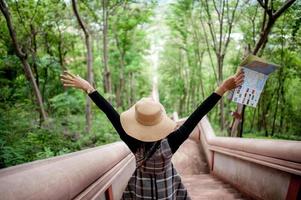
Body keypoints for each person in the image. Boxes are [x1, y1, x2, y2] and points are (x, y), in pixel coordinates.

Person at [60, 69, 244, 200]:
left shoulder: (132, 142)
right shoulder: (172, 141)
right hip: (167, 190)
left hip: (141, 191)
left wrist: (89, 88)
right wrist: (222, 88)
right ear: (160, 121)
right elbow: (197, 115)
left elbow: (110, 112)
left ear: (135, 122)